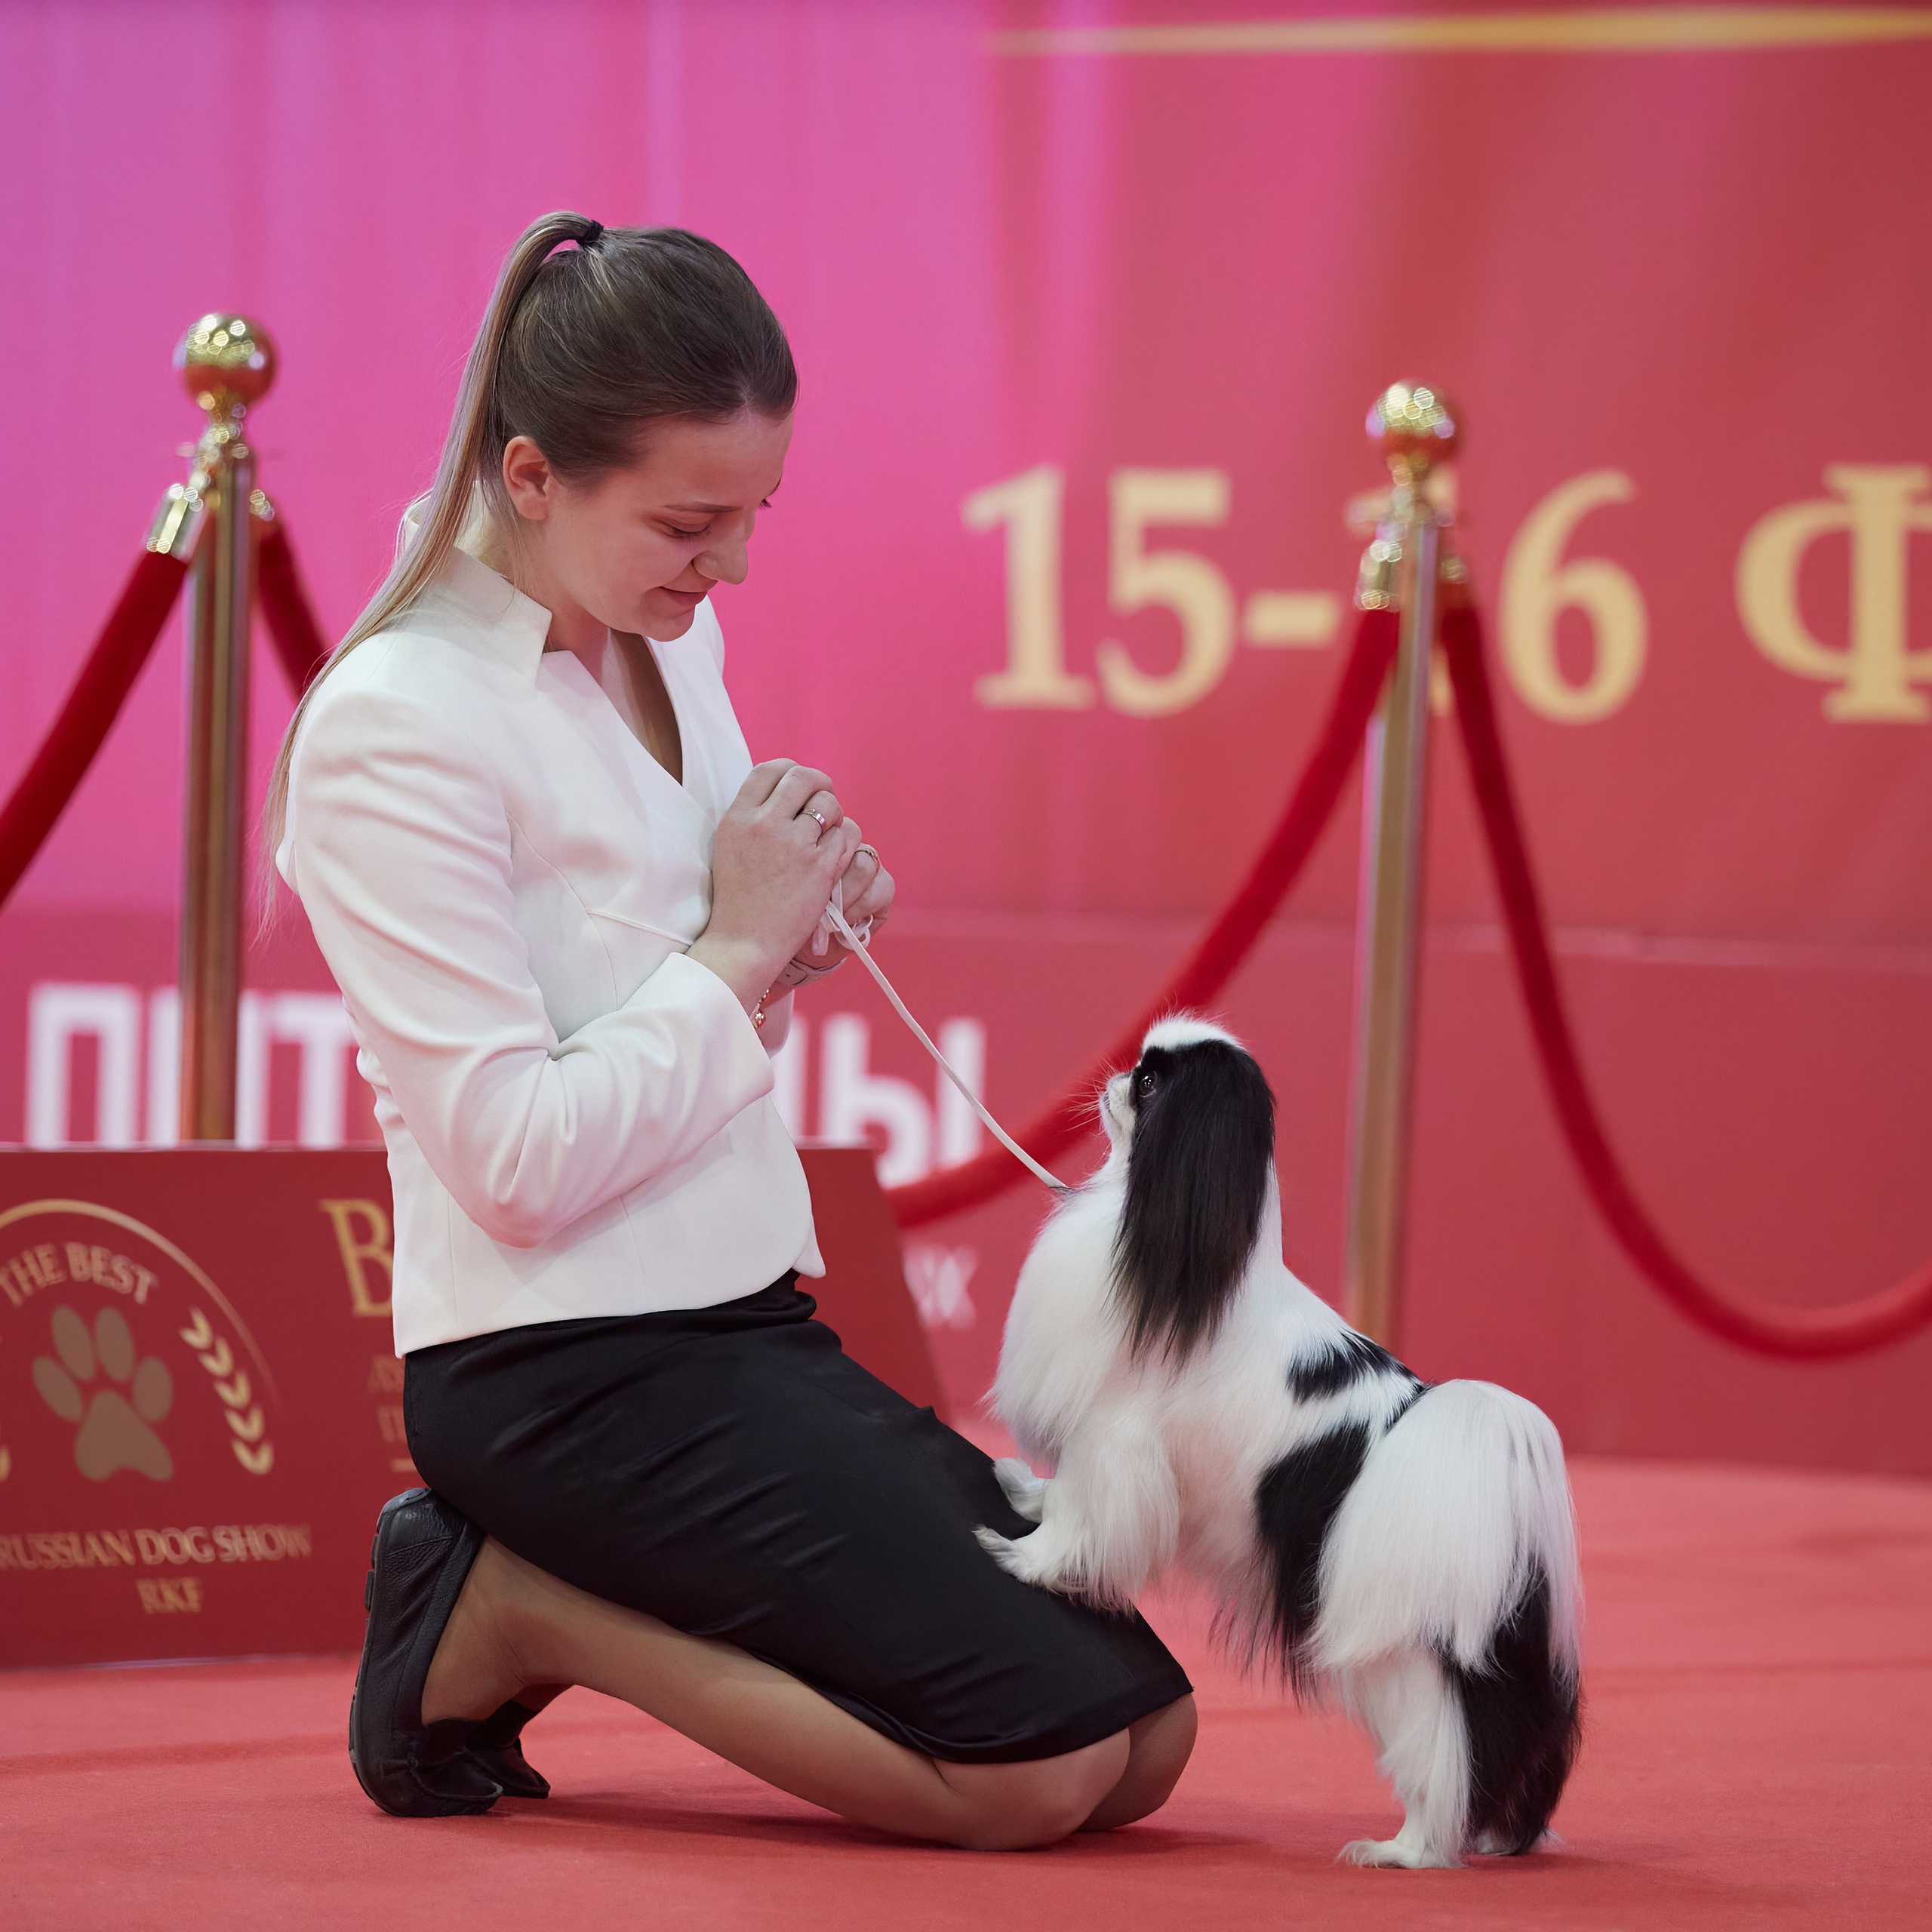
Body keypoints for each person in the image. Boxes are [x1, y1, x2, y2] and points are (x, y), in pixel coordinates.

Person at [270, 212, 1196, 1850]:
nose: (736, 565)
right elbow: (513, 1164)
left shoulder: (659, 636)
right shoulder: (394, 724)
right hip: (553, 1366)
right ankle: (506, 1606)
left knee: (1144, 1733)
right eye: (693, 520)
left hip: (742, 1316)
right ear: (535, 473)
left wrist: (790, 930)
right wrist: (736, 947)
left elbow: (697, 971)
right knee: (1026, 1773)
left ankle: (528, 1597)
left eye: (756, 510)